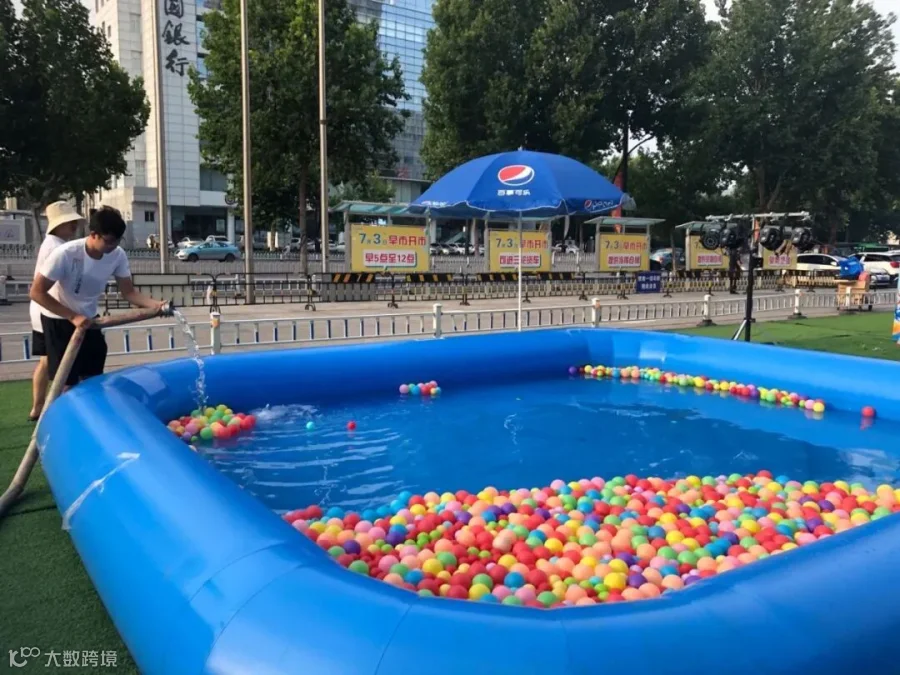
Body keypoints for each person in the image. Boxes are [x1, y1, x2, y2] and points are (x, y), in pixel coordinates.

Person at [30, 206, 168, 391]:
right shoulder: (66, 253)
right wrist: (73, 316)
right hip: (59, 319)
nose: (113, 246)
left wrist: (157, 305)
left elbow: (129, 293)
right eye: (109, 241)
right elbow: (36, 292)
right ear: (93, 234)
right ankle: (54, 408)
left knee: (93, 375)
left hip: (89, 319)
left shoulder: (117, 255)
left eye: (118, 241)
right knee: (67, 382)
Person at [28, 201, 82, 420]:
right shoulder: (58, 248)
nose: (74, 226)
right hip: (50, 310)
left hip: (41, 309)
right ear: (58, 225)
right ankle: (53, 409)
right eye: (69, 223)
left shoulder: (51, 243)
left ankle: (37, 407)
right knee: (59, 363)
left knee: (45, 360)